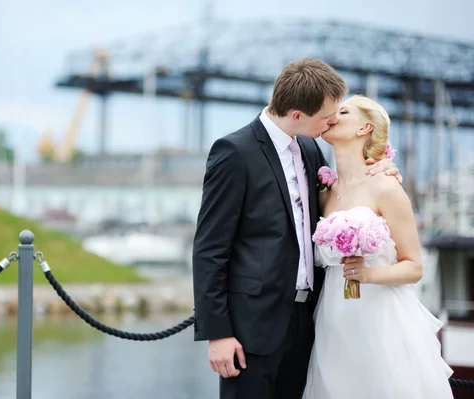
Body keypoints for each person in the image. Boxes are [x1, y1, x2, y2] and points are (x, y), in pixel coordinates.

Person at [191, 58, 400, 399]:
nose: (333, 121)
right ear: (298, 115)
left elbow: (335, 201)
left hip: (305, 321)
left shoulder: (308, 147)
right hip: (249, 330)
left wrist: (378, 170)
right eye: (327, 116)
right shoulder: (234, 152)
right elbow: (209, 248)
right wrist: (218, 334)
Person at [303, 95, 453, 398]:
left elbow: (414, 267)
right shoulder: (324, 191)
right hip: (333, 317)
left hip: (379, 317)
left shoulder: (386, 186)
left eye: (343, 111)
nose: (333, 115)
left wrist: (367, 274)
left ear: (364, 128)